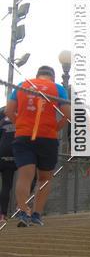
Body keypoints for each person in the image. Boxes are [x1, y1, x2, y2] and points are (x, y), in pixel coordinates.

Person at [5, 66, 70, 226]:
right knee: (45, 178)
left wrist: (19, 124)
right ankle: (36, 215)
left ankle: (23, 211)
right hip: (47, 137)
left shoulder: (23, 85)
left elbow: (9, 111)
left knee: (25, 176)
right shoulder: (57, 88)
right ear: (52, 77)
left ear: (37, 75)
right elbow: (68, 113)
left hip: (23, 136)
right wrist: (56, 127)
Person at [0, 107, 16, 224]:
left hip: (3, 152)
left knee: (6, 186)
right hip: (11, 155)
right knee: (6, 186)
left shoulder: (2, 119)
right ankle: (2, 215)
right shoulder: (21, 118)